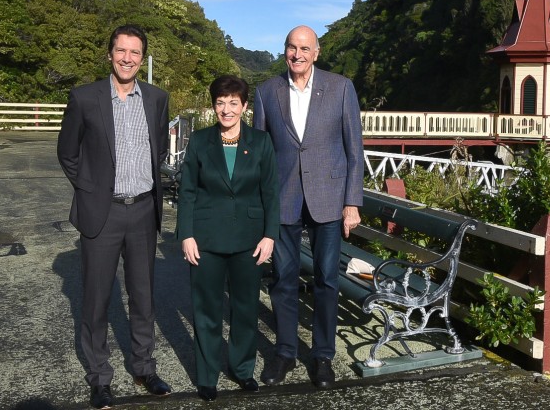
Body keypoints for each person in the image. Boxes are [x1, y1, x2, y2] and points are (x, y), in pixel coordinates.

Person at [57, 24, 172, 409]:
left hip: (142, 209)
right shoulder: (85, 97)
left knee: (143, 296)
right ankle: (100, 377)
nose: (127, 58)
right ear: (110, 54)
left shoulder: (156, 99)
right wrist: (90, 189)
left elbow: (158, 152)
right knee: (96, 299)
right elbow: (67, 152)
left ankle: (144, 366)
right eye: (121, 51)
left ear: (143, 58)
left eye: (135, 52)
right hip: (101, 213)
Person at [253, 25, 364, 390]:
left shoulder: (340, 87)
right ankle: (284, 353)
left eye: (304, 48)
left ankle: (322, 357)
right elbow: (260, 155)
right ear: (284, 50)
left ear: (316, 53)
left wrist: (352, 202)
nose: (297, 54)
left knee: (326, 281)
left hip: (329, 199)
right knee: (282, 280)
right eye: (291, 47)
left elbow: (353, 151)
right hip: (282, 199)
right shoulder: (267, 91)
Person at [176, 75, 280, 402]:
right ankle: (207, 376)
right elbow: (188, 191)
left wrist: (270, 236)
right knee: (206, 309)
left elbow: (271, 194)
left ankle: (242, 369)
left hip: (250, 240)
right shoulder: (200, 141)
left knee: (245, 308)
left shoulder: (261, 142)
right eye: (221, 102)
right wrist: (186, 235)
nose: (227, 109)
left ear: (245, 106)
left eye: (234, 102)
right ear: (213, 105)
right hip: (205, 239)